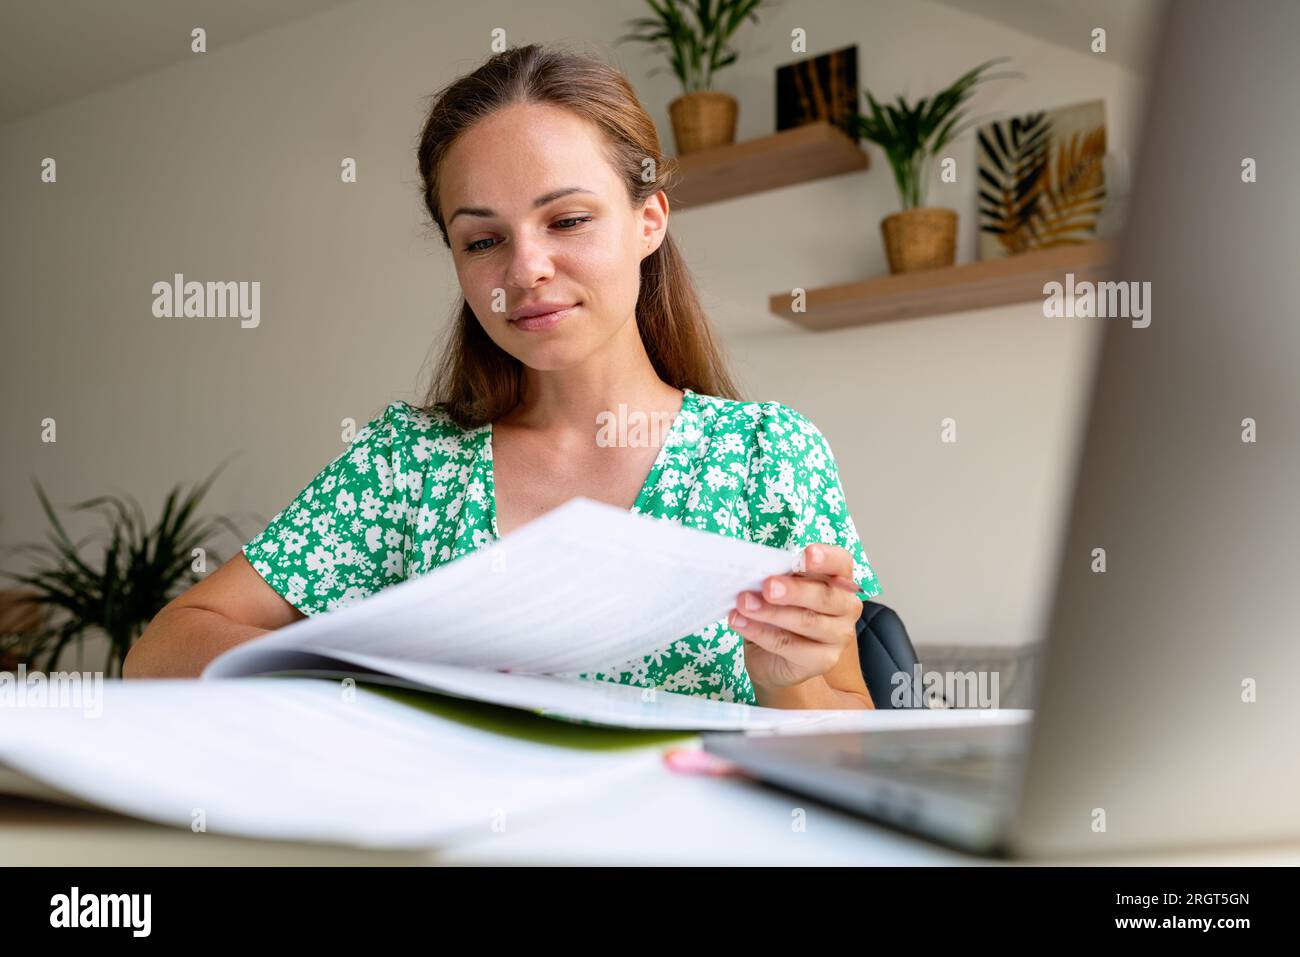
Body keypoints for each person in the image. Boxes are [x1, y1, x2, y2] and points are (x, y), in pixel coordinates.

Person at [125, 44, 882, 708]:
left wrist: (791, 682)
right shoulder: (408, 465)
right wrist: (351, 685)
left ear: (648, 220)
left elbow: (856, 739)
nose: (525, 270)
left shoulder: (767, 456)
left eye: (568, 219)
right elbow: (160, 652)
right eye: (483, 238)